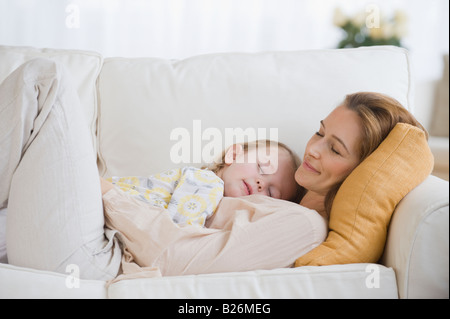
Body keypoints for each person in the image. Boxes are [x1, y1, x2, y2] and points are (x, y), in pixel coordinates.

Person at [0, 59, 426, 281]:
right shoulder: (264, 194)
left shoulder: (303, 227)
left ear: (363, 169)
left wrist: (103, 191)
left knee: (44, 78)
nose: (313, 149)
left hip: (97, 256)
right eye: (319, 132)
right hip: (94, 235)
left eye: (334, 148)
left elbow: (170, 257)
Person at [103, 140, 302, 227]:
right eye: (261, 167)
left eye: (271, 192)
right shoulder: (208, 182)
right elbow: (178, 230)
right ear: (233, 155)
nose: (261, 183)